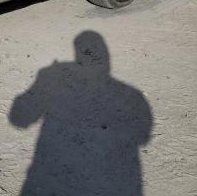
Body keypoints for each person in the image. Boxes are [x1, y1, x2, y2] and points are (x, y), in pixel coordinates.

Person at [9, 31, 152, 196]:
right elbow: (143, 138)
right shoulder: (133, 95)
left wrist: (41, 85)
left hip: (57, 178)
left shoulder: (50, 75)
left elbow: (19, 119)